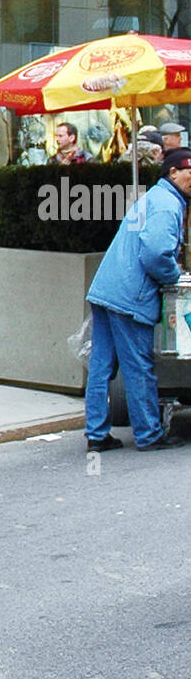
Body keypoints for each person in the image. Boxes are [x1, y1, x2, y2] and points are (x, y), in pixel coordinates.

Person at [84, 148, 191, 452]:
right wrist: (174, 276)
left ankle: (96, 433)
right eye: (189, 172)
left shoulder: (153, 198)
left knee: (102, 365)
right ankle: (148, 434)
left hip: (107, 288)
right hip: (130, 295)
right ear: (173, 172)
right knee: (138, 365)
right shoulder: (168, 205)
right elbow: (156, 253)